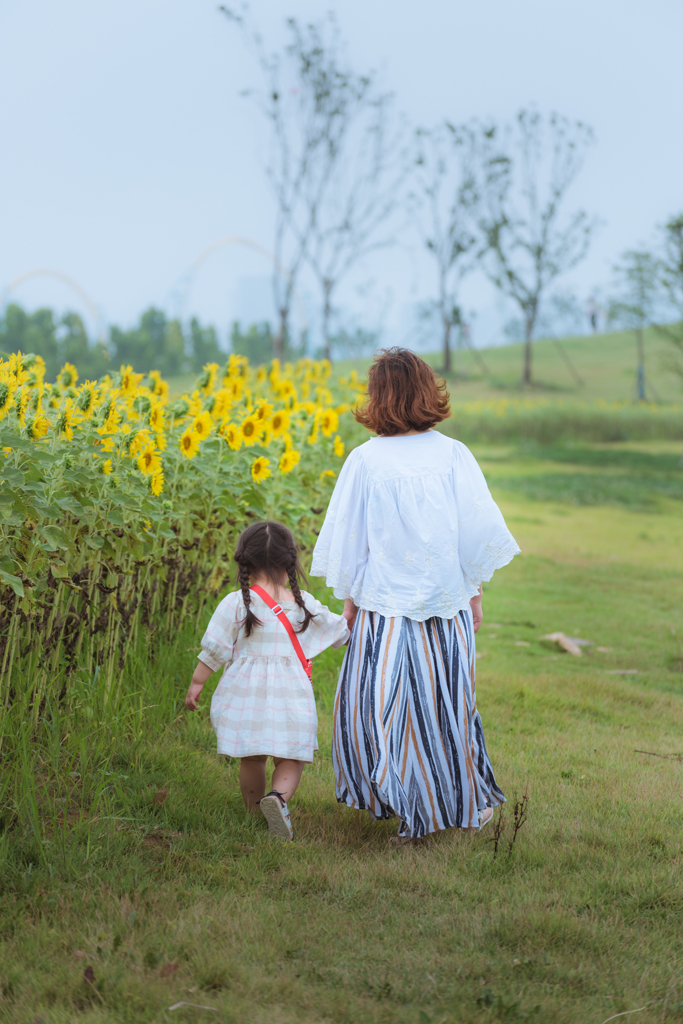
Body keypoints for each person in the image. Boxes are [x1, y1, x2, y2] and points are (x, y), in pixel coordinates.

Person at [311, 348, 520, 843]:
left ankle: (402, 797)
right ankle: (446, 797)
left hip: (384, 608)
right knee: (446, 707)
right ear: (429, 391)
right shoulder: (453, 454)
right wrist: (475, 593)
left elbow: (352, 541)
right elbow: (472, 535)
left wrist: (349, 602)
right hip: (444, 607)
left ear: (378, 398)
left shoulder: (364, 461)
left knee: (384, 708)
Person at [185, 520, 349, 841]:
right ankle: (277, 800)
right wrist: (352, 619)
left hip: (247, 695)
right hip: (291, 697)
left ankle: (253, 813)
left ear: (245, 560)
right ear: (290, 562)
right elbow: (340, 630)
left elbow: (214, 648)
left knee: (253, 755)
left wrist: (197, 682)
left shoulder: (238, 602)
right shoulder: (303, 605)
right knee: (292, 756)